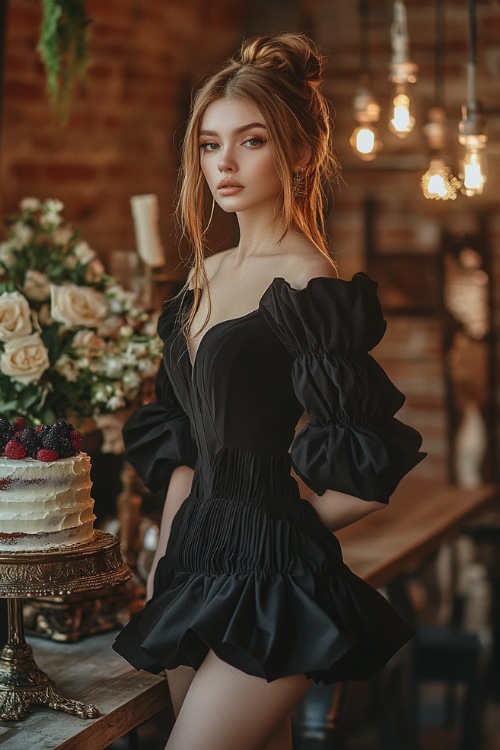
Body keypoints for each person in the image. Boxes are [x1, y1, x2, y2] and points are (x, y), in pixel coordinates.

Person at [113, 32, 425, 750]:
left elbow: (366, 453)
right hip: (191, 561)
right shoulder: (203, 276)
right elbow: (182, 439)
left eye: (249, 142)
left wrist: (294, 529)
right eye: (209, 144)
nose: (223, 163)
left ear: (302, 152)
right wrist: (164, 552)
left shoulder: (309, 283)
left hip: (274, 571)